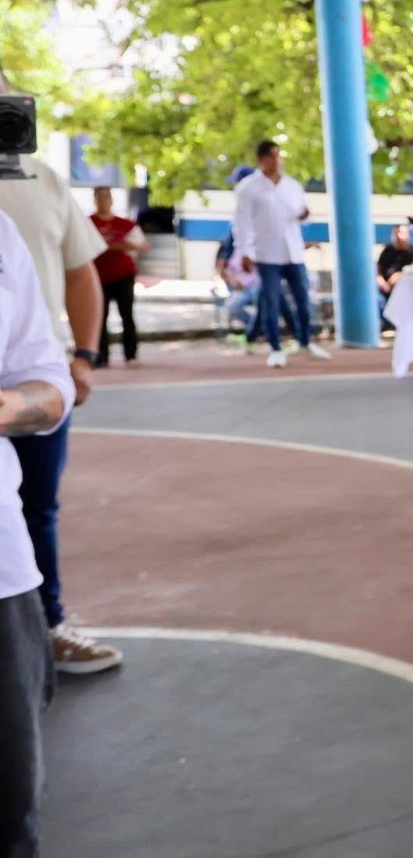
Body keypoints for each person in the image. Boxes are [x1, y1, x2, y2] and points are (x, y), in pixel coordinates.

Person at [0, 155, 121, 673]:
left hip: (35, 372)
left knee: (37, 509)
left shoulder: (41, 179)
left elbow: (80, 271)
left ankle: (48, 625)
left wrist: (84, 358)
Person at [0, 210, 74, 858]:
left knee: (9, 808)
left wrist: (7, 406)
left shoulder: (0, 233)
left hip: (2, 574)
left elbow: (49, 386)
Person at [233, 140, 330, 369]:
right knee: (272, 302)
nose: (276, 161)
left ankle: (305, 341)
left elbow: (303, 215)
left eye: (278, 156)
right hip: (266, 253)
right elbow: (242, 223)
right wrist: (244, 252)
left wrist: (305, 215)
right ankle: (275, 348)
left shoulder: (292, 186)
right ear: (261, 160)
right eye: (270, 156)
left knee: (303, 300)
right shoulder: (248, 188)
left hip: (293, 251)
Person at [88, 187, 146, 368]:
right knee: (99, 316)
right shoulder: (87, 224)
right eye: (100, 197)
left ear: (112, 200)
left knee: (127, 315)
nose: (104, 200)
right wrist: (110, 246)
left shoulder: (125, 224)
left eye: (107, 197)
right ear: (95, 200)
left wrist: (126, 245)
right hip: (99, 276)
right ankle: (101, 356)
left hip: (123, 275)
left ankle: (131, 354)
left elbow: (143, 245)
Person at [375, 224, 413, 327]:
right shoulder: (387, 250)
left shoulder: (412, 251)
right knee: (377, 300)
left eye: (402, 233)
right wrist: (382, 282)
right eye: (397, 233)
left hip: (402, 287)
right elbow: (378, 271)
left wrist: (396, 277)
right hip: (385, 288)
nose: (399, 236)